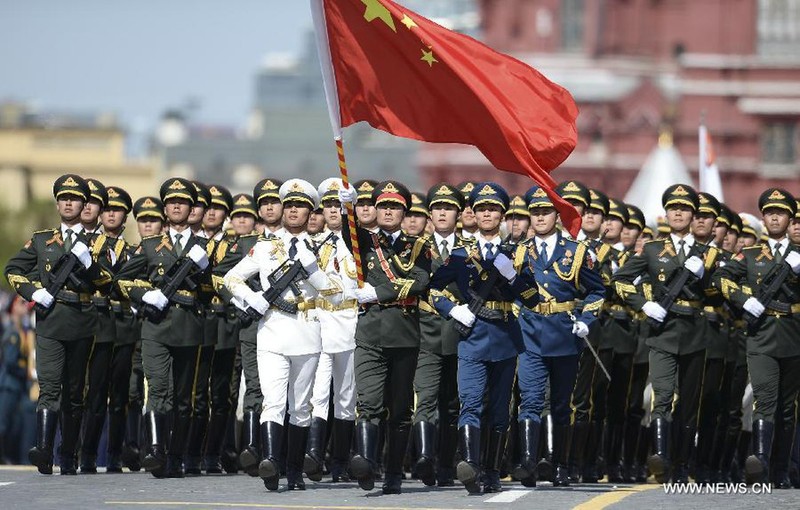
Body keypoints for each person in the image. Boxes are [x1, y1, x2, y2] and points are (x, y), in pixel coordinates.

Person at [224, 178, 345, 491]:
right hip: (272, 333)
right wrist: (254, 299)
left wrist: (314, 271)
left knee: (301, 406)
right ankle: (271, 463)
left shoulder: (324, 248)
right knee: (273, 402)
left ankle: (293, 470)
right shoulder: (265, 248)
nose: (293, 211)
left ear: (310, 212)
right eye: (288, 205)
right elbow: (232, 279)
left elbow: (335, 294)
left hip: (307, 333)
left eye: (300, 206)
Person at [428, 182, 539, 494]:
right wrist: (452, 309)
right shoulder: (461, 254)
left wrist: (514, 277)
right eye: (481, 209)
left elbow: (532, 298)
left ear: (502, 215)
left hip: (504, 335)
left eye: (493, 209)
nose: (487, 213)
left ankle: (491, 470)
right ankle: (470, 465)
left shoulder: (517, 253)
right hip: (473, 333)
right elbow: (434, 288)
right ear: (473, 215)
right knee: (471, 401)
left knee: (500, 408)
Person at [612, 184, 722, 484]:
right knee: (661, 395)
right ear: (666, 213)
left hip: (695, 332)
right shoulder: (651, 249)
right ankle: (661, 458)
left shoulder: (709, 253)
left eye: (684, 209)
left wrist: (706, 275)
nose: (678, 212)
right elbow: (620, 279)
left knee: (689, 402)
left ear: (692, 215)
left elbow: (719, 294)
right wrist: (644, 304)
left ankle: (683, 465)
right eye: (673, 208)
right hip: (662, 331)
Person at [5, 174, 112, 475]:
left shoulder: (98, 241)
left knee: (75, 390)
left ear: (83, 204)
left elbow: (108, 282)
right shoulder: (42, 240)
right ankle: (43, 449)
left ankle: (68, 454)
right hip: (50, 320)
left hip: (81, 319)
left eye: (74, 198)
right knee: (49, 386)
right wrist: (33, 291)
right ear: (57, 203)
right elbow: (13, 269)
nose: (68, 202)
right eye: (63, 198)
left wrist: (90, 263)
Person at [337, 180, 432, 494]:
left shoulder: (417, 245)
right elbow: (348, 235)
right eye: (383, 206)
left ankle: (393, 473)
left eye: (394, 207)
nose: (388, 211)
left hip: (404, 334)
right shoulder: (364, 240)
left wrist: (377, 291)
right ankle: (366, 462)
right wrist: (346, 207)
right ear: (375, 210)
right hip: (370, 334)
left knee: (401, 409)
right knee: (369, 404)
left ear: (404, 211)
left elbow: (418, 282)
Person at [115, 177, 213, 478]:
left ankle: (176, 456)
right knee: (158, 389)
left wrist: (205, 269)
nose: (175, 206)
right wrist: (146, 294)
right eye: (171, 202)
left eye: (181, 202)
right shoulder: (149, 245)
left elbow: (215, 289)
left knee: (185, 399)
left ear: (191, 208)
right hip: (156, 327)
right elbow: (122, 279)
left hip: (189, 326)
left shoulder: (206, 246)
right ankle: (156, 450)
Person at [513, 186, 604, 487]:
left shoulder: (576, 252)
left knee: (561, 403)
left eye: (545, 212)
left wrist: (587, 320)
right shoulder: (520, 251)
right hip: (529, 332)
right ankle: (528, 461)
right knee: (531, 399)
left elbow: (596, 291)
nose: (539, 217)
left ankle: (558, 462)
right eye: (535, 212)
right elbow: (510, 291)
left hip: (564, 333)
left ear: (557, 215)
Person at [714, 188, 800, 488]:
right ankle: (760, 463)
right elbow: (721, 278)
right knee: (765, 399)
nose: (775, 217)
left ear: (790, 219)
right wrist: (742, 298)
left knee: (788, 408)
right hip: (761, 334)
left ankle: (781, 469)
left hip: (794, 333)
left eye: (781, 213)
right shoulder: (751, 254)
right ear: (764, 218)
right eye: (770, 212)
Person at [80, 185, 138, 474]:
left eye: (117, 209)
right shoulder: (88, 248)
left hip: (125, 327)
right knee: (93, 392)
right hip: (98, 325)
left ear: (125, 216)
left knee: (119, 396)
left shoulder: (131, 252)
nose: (111, 214)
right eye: (107, 209)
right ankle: (86, 452)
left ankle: (115, 453)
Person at [304, 178, 359, 483]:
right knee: (318, 391)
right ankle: (314, 454)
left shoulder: (359, 241)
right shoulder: (312, 243)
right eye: (327, 205)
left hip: (350, 320)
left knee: (346, 394)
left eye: (338, 204)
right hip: (321, 320)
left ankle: (340, 460)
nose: (333, 210)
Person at [412, 183, 467, 487]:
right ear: (430, 214)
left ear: (458, 213)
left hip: (460, 334)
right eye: (437, 208)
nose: (442, 212)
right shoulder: (417, 247)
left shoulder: (468, 250)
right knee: (426, 398)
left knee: (452, 402)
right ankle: (424, 457)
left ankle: (446, 464)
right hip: (426, 331)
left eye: (448, 208)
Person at [215, 194, 263, 477]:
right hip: (232, 324)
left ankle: (256, 448)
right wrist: (239, 299)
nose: (242, 220)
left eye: (247, 216)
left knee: (260, 386)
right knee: (230, 390)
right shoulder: (234, 246)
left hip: (264, 324)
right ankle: (237, 449)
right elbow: (221, 276)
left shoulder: (267, 243)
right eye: (238, 216)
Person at [121, 196, 165, 472]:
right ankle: (130, 444)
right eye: (143, 220)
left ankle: (152, 446)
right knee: (129, 392)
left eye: (153, 220)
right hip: (126, 332)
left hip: (155, 330)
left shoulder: (166, 254)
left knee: (154, 388)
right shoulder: (129, 253)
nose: (148, 226)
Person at [0, 297, 34, 464]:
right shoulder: (13, 331)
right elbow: (11, 362)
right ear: (12, 307)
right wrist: (28, 372)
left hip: (18, 385)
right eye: (21, 303)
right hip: (10, 385)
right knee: (4, 424)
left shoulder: (23, 330)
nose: (25, 306)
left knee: (15, 425)